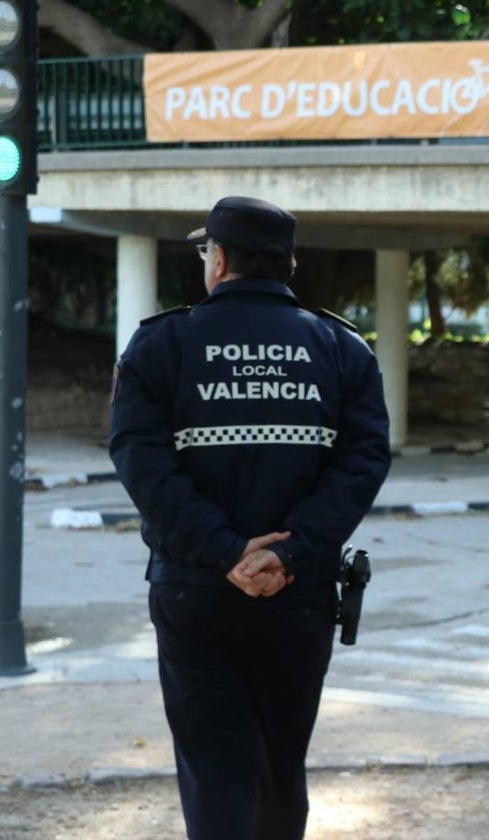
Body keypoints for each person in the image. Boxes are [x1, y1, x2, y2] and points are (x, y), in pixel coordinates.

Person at [109, 196, 391, 840]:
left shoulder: (164, 342)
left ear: (221, 260)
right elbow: (363, 460)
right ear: (288, 264)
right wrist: (288, 555)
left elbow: (140, 462)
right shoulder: (341, 346)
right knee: (279, 767)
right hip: (300, 593)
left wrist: (224, 552)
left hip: (195, 590)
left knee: (214, 771)